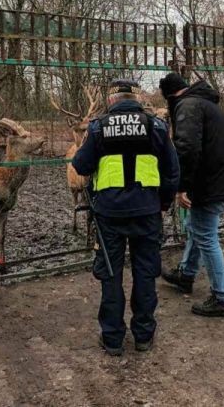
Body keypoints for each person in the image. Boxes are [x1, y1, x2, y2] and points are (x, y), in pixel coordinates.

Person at [72, 79, 180, 356]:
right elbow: (172, 171)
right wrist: (164, 203)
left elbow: (81, 165)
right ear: (138, 98)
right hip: (147, 211)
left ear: (111, 101)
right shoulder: (156, 126)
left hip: (109, 214)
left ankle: (113, 339)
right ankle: (143, 335)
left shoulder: (98, 127)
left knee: (111, 274)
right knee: (145, 272)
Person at [159, 72, 224, 318]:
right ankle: (186, 274)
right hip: (217, 177)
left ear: (170, 95)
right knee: (196, 226)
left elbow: (187, 148)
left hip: (208, 182)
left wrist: (181, 187)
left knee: (206, 235)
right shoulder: (205, 103)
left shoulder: (187, 107)